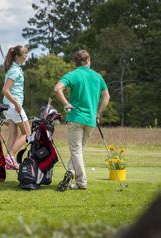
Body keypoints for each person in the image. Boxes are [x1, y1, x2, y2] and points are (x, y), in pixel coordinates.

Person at [54, 49, 110, 190]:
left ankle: (82, 182)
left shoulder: (73, 74)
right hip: (91, 120)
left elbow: (57, 89)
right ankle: (70, 172)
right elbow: (106, 97)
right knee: (78, 151)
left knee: (76, 151)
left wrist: (66, 104)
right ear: (88, 60)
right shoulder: (97, 77)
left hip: (75, 117)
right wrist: (98, 114)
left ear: (76, 62)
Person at [2, 45, 31, 169]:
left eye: (26, 54)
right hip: (13, 106)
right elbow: (5, 90)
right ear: (17, 56)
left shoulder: (14, 68)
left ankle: (6, 161)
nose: (25, 57)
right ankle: (10, 156)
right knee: (28, 134)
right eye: (23, 55)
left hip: (9, 106)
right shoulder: (14, 70)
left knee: (13, 134)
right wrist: (16, 104)